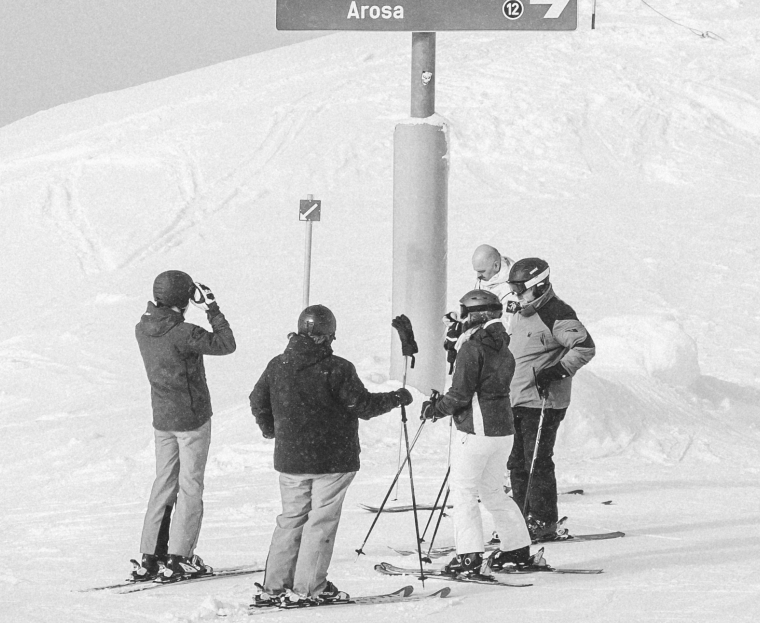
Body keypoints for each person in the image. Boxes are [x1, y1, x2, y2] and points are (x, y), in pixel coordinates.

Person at [248, 305, 413, 607]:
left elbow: (257, 400)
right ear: (326, 337)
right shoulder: (337, 368)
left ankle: (274, 586)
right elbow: (363, 407)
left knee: (291, 520)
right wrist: (395, 398)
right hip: (332, 460)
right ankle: (309, 587)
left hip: (291, 460)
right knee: (320, 522)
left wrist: (271, 429)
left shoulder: (278, 364)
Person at [132, 269, 236, 582]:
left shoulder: (142, 327)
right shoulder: (183, 332)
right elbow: (225, 344)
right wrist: (212, 309)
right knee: (191, 485)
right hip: (191, 419)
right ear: (184, 298)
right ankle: (180, 556)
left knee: (163, 482)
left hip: (162, 418)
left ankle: (151, 554)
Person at [421, 288, 534, 575]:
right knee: (493, 491)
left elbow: (460, 394)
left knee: (464, 492)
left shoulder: (473, 347)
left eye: (463, 313)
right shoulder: (503, 345)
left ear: (473, 315)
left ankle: (469, 557)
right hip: (503, 429)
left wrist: (436, 409)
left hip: (476, 429)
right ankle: (517, 549)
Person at [503, 257, 595, 542]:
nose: (516, 294)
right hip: (517, 399)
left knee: (537, 461)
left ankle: (542, 521)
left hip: (543, 401)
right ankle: (521, 519)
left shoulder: (556, 311)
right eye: (513, 287)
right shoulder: (521, 312)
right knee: (516, 463)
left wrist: (556, 370)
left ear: (539, 286)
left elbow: (585, 347)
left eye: (521, 288)